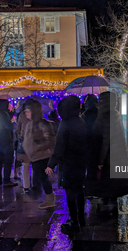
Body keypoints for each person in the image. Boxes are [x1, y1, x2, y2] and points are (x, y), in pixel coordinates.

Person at [45, 96, 87, 233]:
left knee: (70, 193)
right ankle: (81, 219)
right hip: (80, 163)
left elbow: (59, 147)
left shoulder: (65, 124)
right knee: (79, 191)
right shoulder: (81, 122)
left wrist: (50, 164)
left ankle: (74, 222)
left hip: (68, 164)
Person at [92, 92, 128, 209]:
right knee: (114, 184)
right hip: (117, 156)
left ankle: (106, 211)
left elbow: (106, 139)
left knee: (107, 184)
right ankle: (113, 207)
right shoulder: (116, 114)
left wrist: (100, 160)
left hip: (108, 158)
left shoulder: (105, 116)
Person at [23, 100, 56, 209]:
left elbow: (50, 140)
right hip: (34, 156)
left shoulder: (42, 124)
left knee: (42, 177)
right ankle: (43, 195)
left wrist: (37, 146)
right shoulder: (30, 124)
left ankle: (50, 199)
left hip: (42, 156)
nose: (26, 113)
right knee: (39, 176)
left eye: (28, 111)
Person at [0, 99, 18, 187]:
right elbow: (9, 126)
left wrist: (12, 113)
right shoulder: (3, 114)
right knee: (8, 161)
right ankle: (7, 180)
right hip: (7, 140)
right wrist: (14, 124)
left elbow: (5, 120)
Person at [81, 94, 99, 195]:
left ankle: (89, 188)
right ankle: (96, 187)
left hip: (88, 144)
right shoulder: (100, 113)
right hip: (98, 142)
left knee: (89, 167)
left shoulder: (85, 114)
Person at [16, 98, 35, 192]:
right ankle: (36, 184)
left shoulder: (22, 115)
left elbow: (18, 130)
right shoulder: (37, 115)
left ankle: (26, 186)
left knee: (26, 165)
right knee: (36, 164)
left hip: (25, 142)